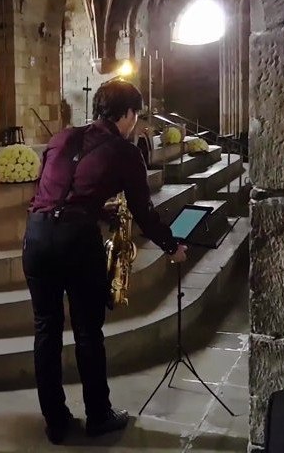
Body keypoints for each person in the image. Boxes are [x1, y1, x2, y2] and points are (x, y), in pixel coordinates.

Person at [24, 80, 188, 444]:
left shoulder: (61, 138)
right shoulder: (125, 152)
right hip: (76, 243)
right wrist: (171, 246)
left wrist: (96, 206)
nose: (137, 123)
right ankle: (98, 415)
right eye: (137, 116)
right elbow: (144, 213)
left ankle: (56, 421)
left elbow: (52, 192)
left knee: (46, 331)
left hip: (36, 237)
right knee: (87, 331)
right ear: (128, 114)